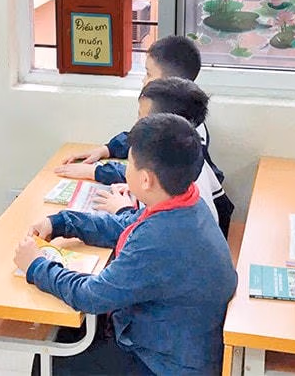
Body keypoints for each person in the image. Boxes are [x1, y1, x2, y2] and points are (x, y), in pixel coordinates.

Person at [14, 113, 237, 375]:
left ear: (146, 180)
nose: (125, 169)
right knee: (67, 334)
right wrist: (61, 222)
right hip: (178, 344)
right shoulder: (188, 202)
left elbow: (90, 296)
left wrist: (36, 266)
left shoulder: (157, 240)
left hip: (162, 364)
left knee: (51, 358)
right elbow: (127, 224)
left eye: (129, 163)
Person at [56, 36, 236, 236]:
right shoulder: (182, 131)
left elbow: (149, 227)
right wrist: (107, 150)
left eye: (148, 73)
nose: (143, 80)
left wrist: (121, 206)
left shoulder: (184, 158)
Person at [91, 77, 218, 222]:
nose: (136, 124)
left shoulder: (194, 184)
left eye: (141, 117)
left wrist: (123, 210)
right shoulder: (181, 159)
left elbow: (155, 226)